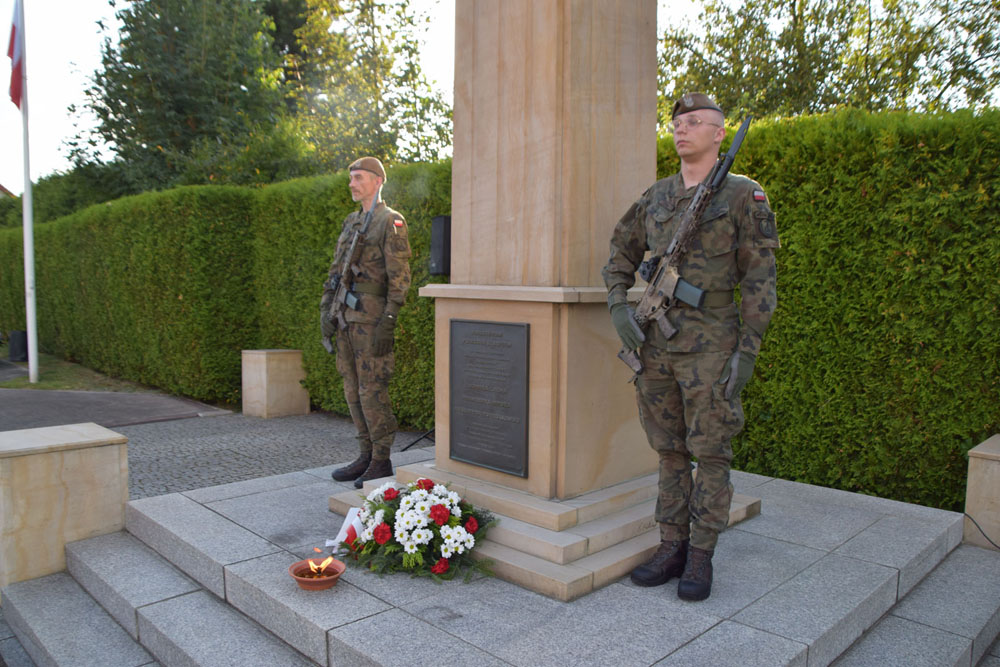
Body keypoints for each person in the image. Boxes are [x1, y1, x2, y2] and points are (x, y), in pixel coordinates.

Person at [602, 93, 779, 601]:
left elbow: (760, 281)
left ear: (720, 134)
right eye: (677, 122)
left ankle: (701, 555)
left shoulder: (744, 196)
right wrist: (618, 305)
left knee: (711, 452)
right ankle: (670, 545)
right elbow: (620, 252)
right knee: (669, 451)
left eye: (696, 122)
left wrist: (747, 351)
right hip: (657, 344)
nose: (682, 129)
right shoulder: (656, 197)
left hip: (712, 345)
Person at [322, 157, 412, 489]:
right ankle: (364, 454)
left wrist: (388, 321)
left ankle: (381, 459)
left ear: (377, 181)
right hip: (346, 317)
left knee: (373, 389)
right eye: (350, 178)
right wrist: (326, 311)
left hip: (372, 321)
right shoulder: (351, 221)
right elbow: (335, 272)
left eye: (358, 178)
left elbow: (400, 278)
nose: (351, 183)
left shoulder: (391, 221)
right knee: (351, 389)